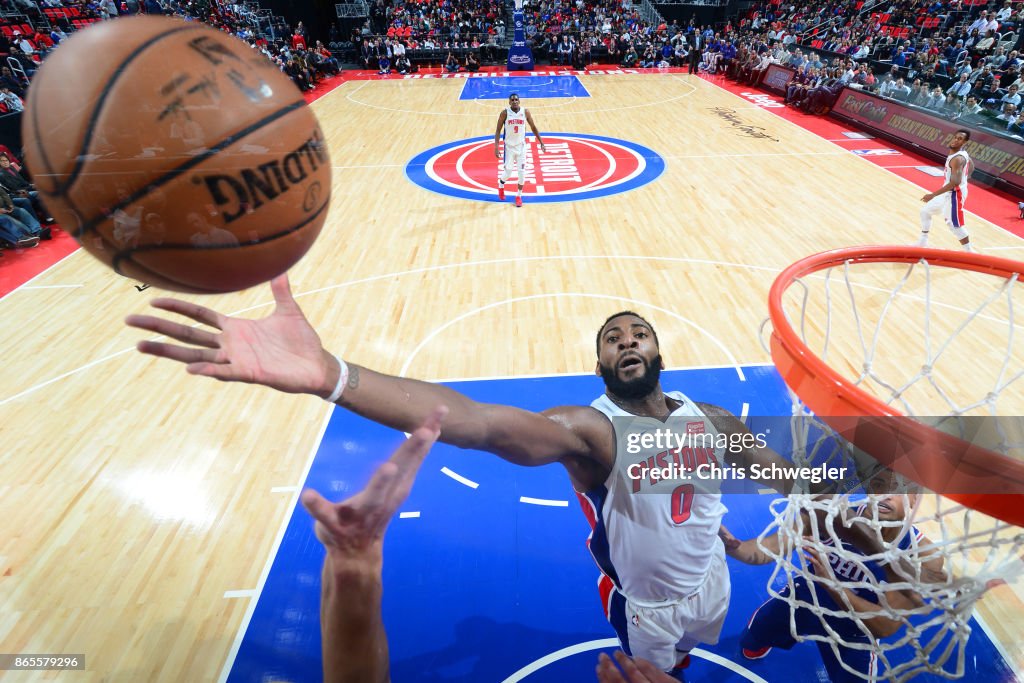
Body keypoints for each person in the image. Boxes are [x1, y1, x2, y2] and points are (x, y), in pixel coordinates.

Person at [125, 282, 806, 680]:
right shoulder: (590, 432)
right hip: (649, 604)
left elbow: (772, 473)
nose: (627, 340)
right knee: (662, 669)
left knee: (696, 641)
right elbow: (480, 422)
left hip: (711, 580)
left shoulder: (708, 417)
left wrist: (794, 507)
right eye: (612, 338)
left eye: (639, 333)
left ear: (659, 350)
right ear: (601, 363)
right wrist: (333, 376)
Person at [720, 469, 945, 682]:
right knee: (753, 639)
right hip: (805, 598)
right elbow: (768, 548)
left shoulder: (923, 554)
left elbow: (885, 626)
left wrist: (833, 585)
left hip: (855, 628)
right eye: (878, 485)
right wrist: (735, 547)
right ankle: (762, 638)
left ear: (915, 498)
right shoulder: (832, 514)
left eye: (897, 490)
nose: (884, 495)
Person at [915, 129, 974, 251]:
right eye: (955, 137)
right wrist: (966, 176)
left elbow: (955, 182)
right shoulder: (961, 154)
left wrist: (932, 195)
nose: (956, 140)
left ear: (965, 142)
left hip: (955, 194)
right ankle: (922, 242)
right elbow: (971, 165)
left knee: (954, 225)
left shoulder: (957, 159)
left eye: (960, 139)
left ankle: (970, 253)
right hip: (948, 192)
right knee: (925, 211)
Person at [494, 93, 546, 208]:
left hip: (521, 147)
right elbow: (498, 130)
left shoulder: (525, 112)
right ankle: (501, 185)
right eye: (512, 100)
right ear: (509, 102)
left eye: (516, 100)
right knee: (507, 173)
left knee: (522, 174)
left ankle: (518, 196)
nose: (514, 101)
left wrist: (541, 142)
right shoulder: (505, 113)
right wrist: (496, 146)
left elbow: (533, 127)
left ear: (519, 101)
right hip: (509, 148)